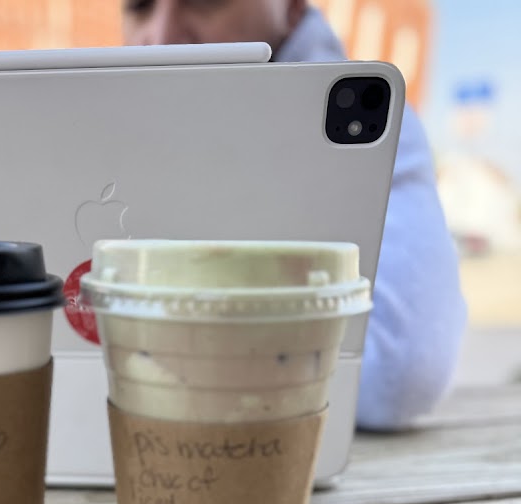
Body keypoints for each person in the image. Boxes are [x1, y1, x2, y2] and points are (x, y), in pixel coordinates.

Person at [122, 0, 467, 431]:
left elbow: (396, 376)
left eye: (206, 2)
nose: (160, 37)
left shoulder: (365, 123)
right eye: (137, 6)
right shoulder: (106, 111)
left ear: (293, 8)